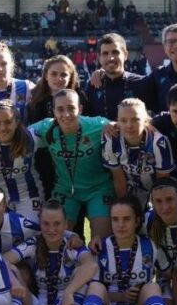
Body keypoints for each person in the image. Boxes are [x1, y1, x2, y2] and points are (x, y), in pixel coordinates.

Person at [79, 197, 171, 305]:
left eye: (126, 219)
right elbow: (87, 288)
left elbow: (168, 274)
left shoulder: (151, 246)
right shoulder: (98, 247)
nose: (120, 225)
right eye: (115, 219)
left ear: (137, 221)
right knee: (95, 286)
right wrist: (121, 297)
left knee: (153, 287)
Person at [31, 89, 115, 244]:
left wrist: (115, 125)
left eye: (71, 108)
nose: (66, 114)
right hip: (65, 189)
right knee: (56, 241)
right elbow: (18, 134)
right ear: (53, 110)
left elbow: (123, 126)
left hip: (98, 189)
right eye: (60, 109)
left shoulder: (97, 125)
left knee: (102, 243)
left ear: (80, 109)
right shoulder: (45, 128)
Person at [22, 201, 96, 305]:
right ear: (40, 223)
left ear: (65, 225)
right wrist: (18, 282)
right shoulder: (33, 243)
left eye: (57, 224)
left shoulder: (72, 245)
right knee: (11, 271)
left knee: (81, 278)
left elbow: (92, 265)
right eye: (46, 224)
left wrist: (69, 292)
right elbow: (3, 260)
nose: (51, 229)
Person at [0, 100, 45, 221]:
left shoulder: (32, 138)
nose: (2, 128)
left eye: (8, 122)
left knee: (32, 232)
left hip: (30, 196)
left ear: (17, 122)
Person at [101, 98, 175, 208]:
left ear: (146, 121)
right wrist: (126, 208)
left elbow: (162, 183)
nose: (129, 125)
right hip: (129, 189)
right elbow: (118, 178)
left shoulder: (159, 142)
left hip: (156, 191)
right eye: (123, 120)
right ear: (118, 121)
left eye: (135, 120)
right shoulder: (110, 140)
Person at [86, 33, 148, 120]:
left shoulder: (141, 83)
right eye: (105, 53)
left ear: (125, 55)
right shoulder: (93, 85)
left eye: (115, 52)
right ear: (99, 58)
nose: (110, 58)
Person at [27, 55, 86, 124]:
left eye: (63, 75)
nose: (59, 78)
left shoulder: (80, 97)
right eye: (54, 74)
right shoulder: (34, 97)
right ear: (46, 76)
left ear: (70, 77)